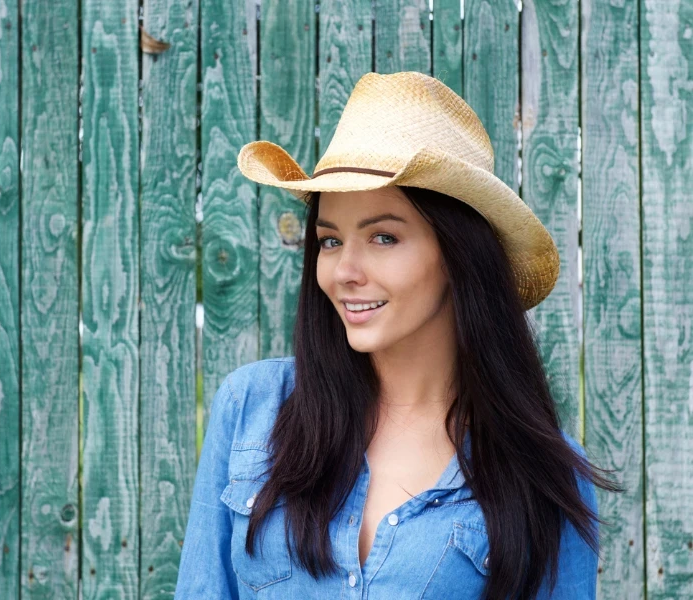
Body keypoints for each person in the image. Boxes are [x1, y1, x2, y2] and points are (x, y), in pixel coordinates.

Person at [174, 71, 623, 599]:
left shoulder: (541, 474)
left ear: (459, 257)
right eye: (331, 240)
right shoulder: (253, 408)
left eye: (384, 237)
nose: (344, 271)